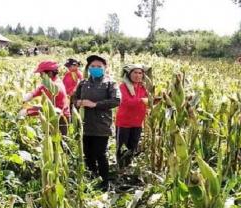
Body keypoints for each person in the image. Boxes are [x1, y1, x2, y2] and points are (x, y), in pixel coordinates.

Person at [73, 55, 121, 190]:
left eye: (99, 66)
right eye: (92, 66)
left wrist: (95, 104)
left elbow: (116, 101)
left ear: (105, 68)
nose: (95, 69)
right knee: (88, 154)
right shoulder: (83, 83)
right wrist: (78, 102)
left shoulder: (110, 83)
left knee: (100, 154)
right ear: (88, 68)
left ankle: (105, 182)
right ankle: (92, 179)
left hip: (101, 126)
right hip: (85, 125)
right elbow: (74, 99)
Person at [21, 60, 70, 135]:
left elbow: (49, 109)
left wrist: (28, 112)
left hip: (60, 119)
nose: (40, 76)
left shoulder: (56, 87)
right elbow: (40, 88)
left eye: (41, 73)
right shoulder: (50, 82)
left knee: (57, 143)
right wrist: (30, 95)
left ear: (50, 73)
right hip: (53, 117)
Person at [115, 64, 150, 169]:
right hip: (124, 123)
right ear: (129, 74)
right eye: (135, 72)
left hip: (138, 122)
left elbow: (149, 101)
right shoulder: (122, 87)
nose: (138, 75)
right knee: (122, 147)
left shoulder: (143, 88)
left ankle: (128, 166)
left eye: (140, 73)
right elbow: (126, 102)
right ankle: (120, 167)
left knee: (133, 146)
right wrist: (142, 101)